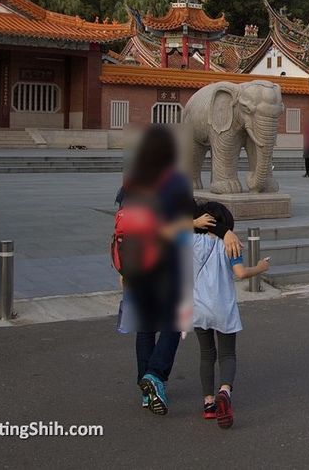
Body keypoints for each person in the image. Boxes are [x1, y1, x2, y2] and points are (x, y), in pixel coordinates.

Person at [115, 125, 196, 415]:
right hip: (165, 263)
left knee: (146, 327)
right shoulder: (175, 181)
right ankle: (155, 375)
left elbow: (122, 222)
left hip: (135, 263)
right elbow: (187, 223)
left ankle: (145, 388)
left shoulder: (132, 180)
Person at [190, 201, 269, 429]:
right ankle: (225, 392)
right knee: (227, 354)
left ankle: (208, 404)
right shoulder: (230, 245)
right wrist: (261, 267)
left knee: (206, 354)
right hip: (223, 307)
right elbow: (241, 273)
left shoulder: (191, 241)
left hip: (198, 307)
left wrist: (192, 223)